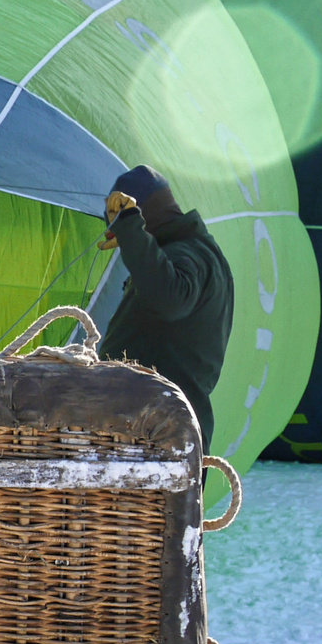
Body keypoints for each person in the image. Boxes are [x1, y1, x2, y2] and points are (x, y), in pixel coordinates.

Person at [97, 165, 235, 446]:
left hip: (161, 434)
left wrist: (131, 230)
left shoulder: (189, 255)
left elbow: (169, 300)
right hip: (154, 429)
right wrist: (134, 239)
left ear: (142, 215)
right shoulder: (194, 252)